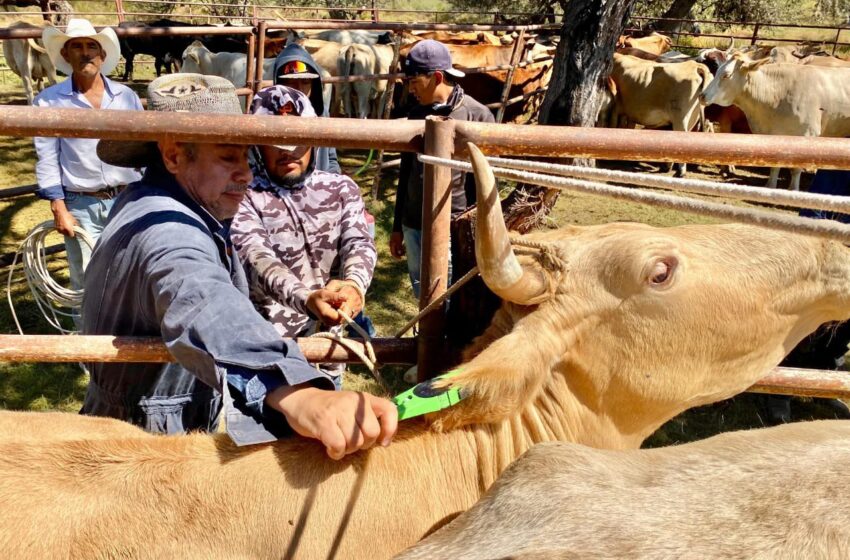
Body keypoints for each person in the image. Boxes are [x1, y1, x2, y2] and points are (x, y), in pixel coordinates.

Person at [86, 73, 396, 458]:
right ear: (173, 154)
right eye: (228, 156)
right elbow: (202, 296)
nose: (246, 173)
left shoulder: (157, 202)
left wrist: (352, 282)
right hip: (145, 438)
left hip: (152, 410)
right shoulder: (169, 230)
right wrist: (298, 393)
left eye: (246, 157)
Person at [231, 85, 376, 389]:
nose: (288, 151)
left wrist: (354, 285)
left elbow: (359, 244)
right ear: (257, 144)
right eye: (276, 142)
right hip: (269, 352)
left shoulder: (341, 189)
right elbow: (257, 259)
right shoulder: (242, 195)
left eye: (298, 141)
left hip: (328, 347)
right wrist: (308, 299)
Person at [34, 18, 143, 320]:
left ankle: (126, 340)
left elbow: (144, 148)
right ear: (66, 55)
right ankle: (87, 353)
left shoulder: (127, 97)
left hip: (127, 197)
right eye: (77, 46)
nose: (85, 53)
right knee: (86, 278)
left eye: (91, 46)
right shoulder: (49, 102)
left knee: (131, 269)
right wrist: (58, 206)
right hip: (82, 201)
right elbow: (47, 156)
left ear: (102, 55)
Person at [390, 39, 495, 299]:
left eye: (414, 82)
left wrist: (477, 228)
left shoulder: (477, 116)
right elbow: (406, 171)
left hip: (454, 223)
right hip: (414, 221)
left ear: (436, 77)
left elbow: (484, 182)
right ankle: (426, 334)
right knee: (422, 291)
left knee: (448, 291)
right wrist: (397, 226)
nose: (411, 89)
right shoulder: (414, 114)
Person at [761, 168, 850, 424]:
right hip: (829, 250)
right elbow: (813, 211)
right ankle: (782, 388)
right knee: (806, 323)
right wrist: (826, 251)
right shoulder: (841, 156)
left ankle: (824, 380)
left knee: (843, 331)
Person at [272, 42, 340, 173]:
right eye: (291, 82)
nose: (299, 89)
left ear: (313, 84)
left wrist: (332, 180)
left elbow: (331, 159)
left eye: (305, 82)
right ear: (279, 83)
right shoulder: (267, 115)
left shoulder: (322, 112)